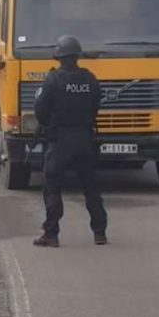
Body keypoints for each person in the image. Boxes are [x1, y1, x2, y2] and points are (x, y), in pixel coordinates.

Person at [33, 35, 107, 248]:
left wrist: (50, 124)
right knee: (91, 188)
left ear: (59, 57)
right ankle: (99, 232)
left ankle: (51, 234)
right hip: (85, 138)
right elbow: (95, 106)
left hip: (60, 141)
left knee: (53, 187)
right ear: (77, 56)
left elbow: (41, 111)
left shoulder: (54, 79)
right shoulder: (90, 78)